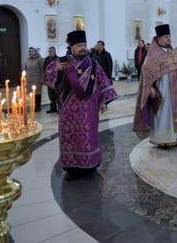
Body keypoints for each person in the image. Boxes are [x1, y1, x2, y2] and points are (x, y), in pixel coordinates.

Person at [44, 30, 117, 178]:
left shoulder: (92, 63)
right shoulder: (62, 62)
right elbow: (49, 79)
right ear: (71, 47)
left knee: (89, 135)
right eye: (79, 45)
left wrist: (104, 100)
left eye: (84, 45)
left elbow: (103, 80)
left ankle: (90, 165)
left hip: (89, 108)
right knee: (70, 136)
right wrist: (57, 71)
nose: (83, 48)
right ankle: (72, 168)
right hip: (69, 109)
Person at [133, 24, 177, 148]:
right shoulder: (153, 53)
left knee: (173, 114)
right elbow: (146, 71)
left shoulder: (172, 51)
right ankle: (162, 140)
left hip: (176, 91)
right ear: (158, 39)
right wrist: (150, 88)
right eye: (165, 37)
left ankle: (173, 138)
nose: (169, 39)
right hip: (163, 90)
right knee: (163, 115)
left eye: (169, 36)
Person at [24, 47, 44, 112]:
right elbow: (25, 69)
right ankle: (33, 106)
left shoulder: (39, 59)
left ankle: (38, 107)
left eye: (32, 51)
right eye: (30, 51)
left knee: (37, 94)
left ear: (35, 52)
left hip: (37, 79)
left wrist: (41, 78)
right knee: (31, 94)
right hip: (29, 79)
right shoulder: (27, 59)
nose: (31, 52)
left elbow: (42, 69)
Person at [43, 46, 59, 113]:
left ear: (55, 52)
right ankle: (53, 109)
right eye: (49, 52)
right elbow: (44, 69)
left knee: (57, 95)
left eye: (51, 51)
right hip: (49, 81)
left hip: (56, 80)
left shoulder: (58, 59)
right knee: (51, 96)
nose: (50, 53)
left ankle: (60, 109)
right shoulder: (46, 59)